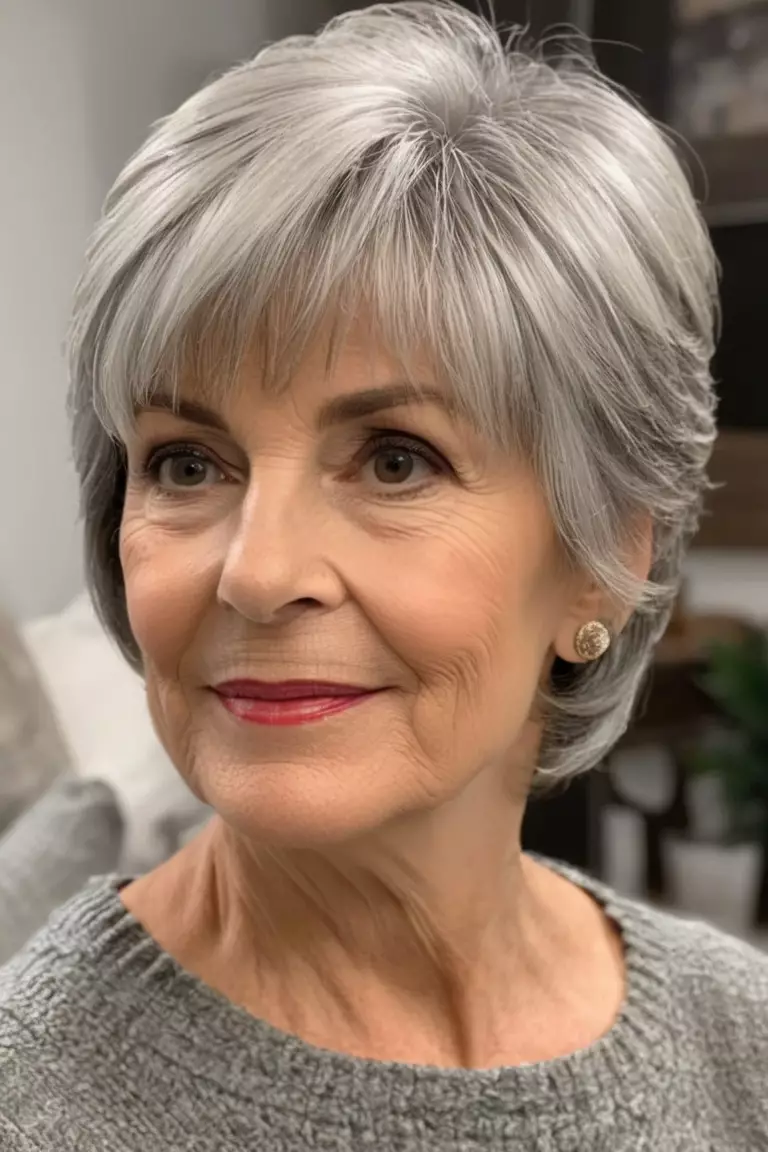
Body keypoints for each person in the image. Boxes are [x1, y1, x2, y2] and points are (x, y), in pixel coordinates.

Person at [2, 3, 766, 1148]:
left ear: (607, 556)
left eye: (396, 460)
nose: (257, 574)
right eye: (188, 462)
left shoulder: (739, 1043)